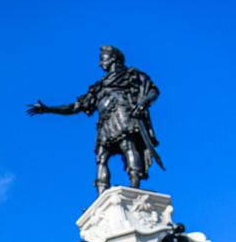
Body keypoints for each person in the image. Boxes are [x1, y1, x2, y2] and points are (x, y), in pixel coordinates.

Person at [29, 45, 162, 192]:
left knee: (127, 145)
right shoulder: (98, 87)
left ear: (113, 59)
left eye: (102, 59)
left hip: (122, 113)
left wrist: (143, 103)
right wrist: (48, 109)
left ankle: (134, 186)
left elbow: (153, 91)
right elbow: (75, 107)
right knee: (101, 156)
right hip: (105, 121)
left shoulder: (131, 74)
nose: (100, 63)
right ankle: (102, 195)